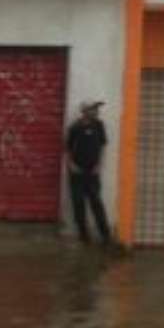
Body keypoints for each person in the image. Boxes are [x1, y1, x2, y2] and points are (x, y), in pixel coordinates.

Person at [65, 98, 112, 245]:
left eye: (97, 109)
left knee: (96, 202)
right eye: (94, 109)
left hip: (93, 172)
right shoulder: (75, 127)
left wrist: (99, 164)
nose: (97, 111)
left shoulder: (99, 125)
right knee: (78, 203)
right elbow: (67, 149)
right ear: (85, 111)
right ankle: (84, 236)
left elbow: (103, 146)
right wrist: (71, 164)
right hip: (77, 172)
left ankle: (106, 236)